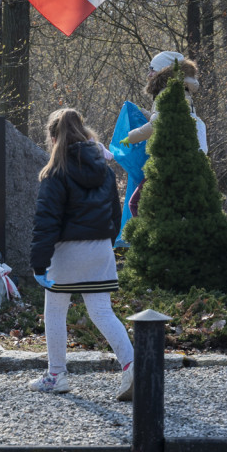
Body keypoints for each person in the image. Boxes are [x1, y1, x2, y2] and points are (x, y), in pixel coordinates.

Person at [29, 108, 135, 400]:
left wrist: (39, 264)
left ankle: (56, 375)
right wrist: (105, 244)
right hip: (101, 249)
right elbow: (115, 212)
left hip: (67, 253)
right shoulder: (104, 168)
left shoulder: (55, 172)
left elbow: (46, 222)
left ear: (53, 138)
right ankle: (132, 366)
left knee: (55, 310)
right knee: (102, 312)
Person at [120, 51, 207, 216]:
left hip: (171, 159)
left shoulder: (168, 92)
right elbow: (162, 117)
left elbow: (156, 124)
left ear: (162, 70)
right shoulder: (179, 90)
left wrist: (130, 137)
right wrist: (142, 112)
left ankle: (151, 239)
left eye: (152, 69)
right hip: (182, 157)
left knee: (136, 203)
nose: (149, 74)